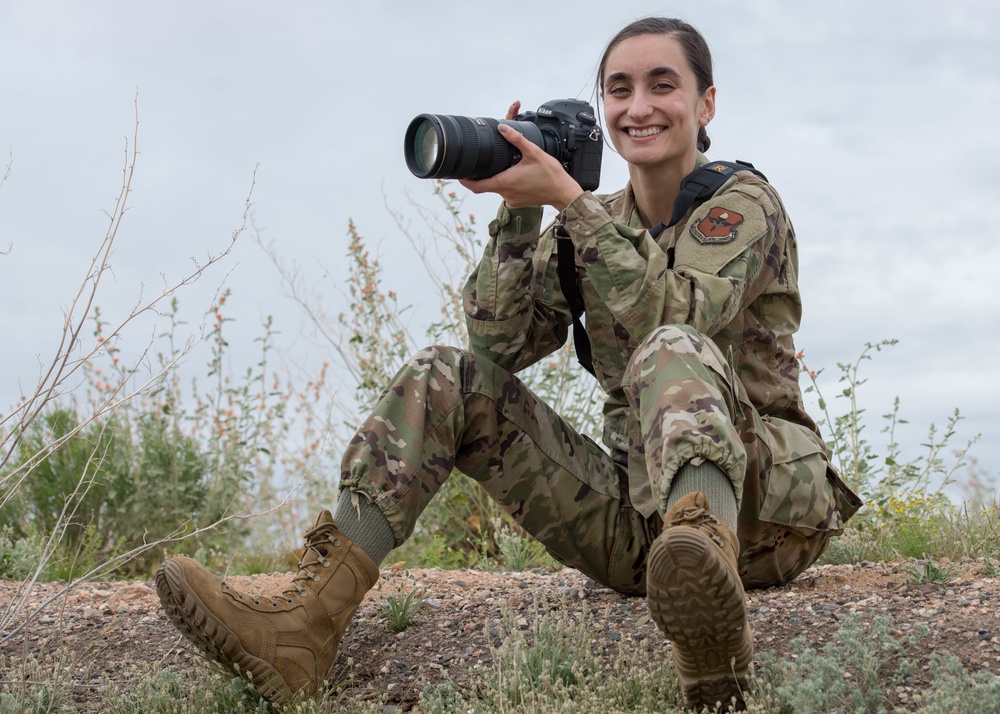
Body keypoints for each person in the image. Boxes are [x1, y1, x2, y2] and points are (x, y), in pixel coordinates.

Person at [155, 16, 861, 711]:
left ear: (706, 103)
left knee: (669, 346)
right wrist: (518, 213)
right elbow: (496, 352)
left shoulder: (740, 203)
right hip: (639, 524)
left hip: (763, 511)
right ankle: (304, 623)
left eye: (661, 85)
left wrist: (571, 205)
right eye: (619, 89)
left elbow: (672, 316)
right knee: (446, 374)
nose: (638, 106)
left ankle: (711, 611)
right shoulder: (588, 218)